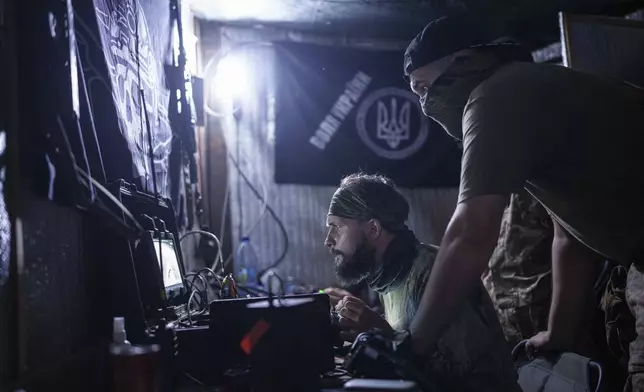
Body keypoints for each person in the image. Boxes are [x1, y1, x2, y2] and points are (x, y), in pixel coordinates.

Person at [403, 14, 644, 390]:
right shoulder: (531, 93)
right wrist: (558, 334)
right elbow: (571, 236)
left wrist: (413, 347)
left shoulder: (494, 95)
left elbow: (470, 233)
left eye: (423, 87)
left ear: (464, 61)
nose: (425, 103)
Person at [324, 173, 520, 391]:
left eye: (335, 227)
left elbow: (475, 379)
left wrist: (382, 335)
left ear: (373, 229)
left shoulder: (432, 273)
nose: (328, 241)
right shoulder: (390, 276)